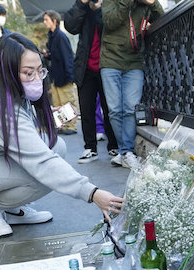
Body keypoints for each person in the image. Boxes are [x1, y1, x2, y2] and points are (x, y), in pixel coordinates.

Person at [0, 33, 123, 238]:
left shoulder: (7, 92)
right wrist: (92, 193)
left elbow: (23, 132)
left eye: (39, 71)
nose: (36, 79)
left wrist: (52, 116)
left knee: (57, 146)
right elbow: (41, 161)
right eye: (28, 73)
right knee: (41, 173)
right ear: (7, 73)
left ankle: (12, 208)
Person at [101, 0, 163, 168]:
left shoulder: (145, 4)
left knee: (131, 108)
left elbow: (162, 19)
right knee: (114, 110)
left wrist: (152, 2)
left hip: (135, 62)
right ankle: (126, 151)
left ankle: (126, 152)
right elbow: (110, 22)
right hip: (110, 61)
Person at [64, 0, 118, 163]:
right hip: (85, 68)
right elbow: (70, 26)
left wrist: (99, 9)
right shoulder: (82, 7)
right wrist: (82, 4)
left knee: (109, 109)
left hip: (107, 65)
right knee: (87, 109)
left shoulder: (109, 5)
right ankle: (90, 148)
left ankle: (114, 146)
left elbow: (108, 26)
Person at [42, 10, 78, 136]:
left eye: (46, 19)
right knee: (58, 103)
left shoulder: (61, 36)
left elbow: (67, 57)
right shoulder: (51, 36)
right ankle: (63, 125)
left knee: (67, 101)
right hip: (56, 76)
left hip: (64, 76)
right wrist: (48, 55)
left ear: (54, 20)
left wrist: (70, 76)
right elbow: (56, 56)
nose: (44, 22)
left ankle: (71, 126)